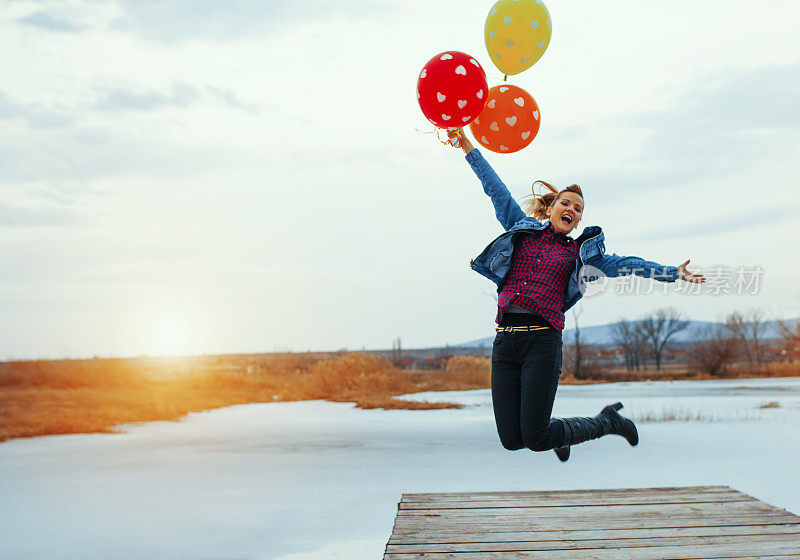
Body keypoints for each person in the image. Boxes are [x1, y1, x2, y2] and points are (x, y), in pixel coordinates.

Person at [447, 128, 705, 462]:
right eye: (566, 203)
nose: (572, 210)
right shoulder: (520, 228)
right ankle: (563, 434)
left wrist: (671, 272)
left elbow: (627, 264)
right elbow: (494, 188)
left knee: (537, 438)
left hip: (542, 344)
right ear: (551, 208)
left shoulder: (582, 255)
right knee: (513, 441)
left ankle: (607, 421)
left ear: (579, 218)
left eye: (578, 209)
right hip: (505, 344)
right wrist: (467, 145)